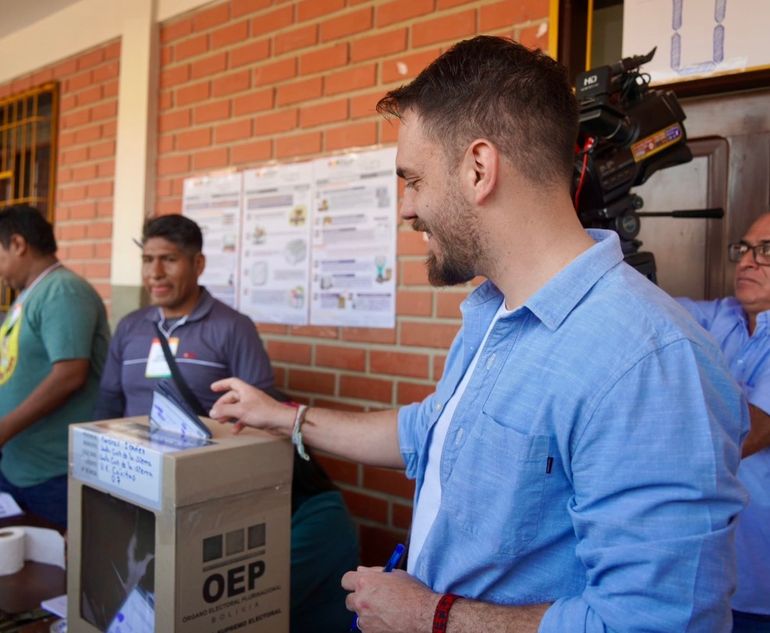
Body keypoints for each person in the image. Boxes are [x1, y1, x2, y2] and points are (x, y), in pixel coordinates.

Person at [210, 36, 748, 633]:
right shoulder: (492, 313)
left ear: (478, 168)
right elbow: (429, 436)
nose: (406, 209)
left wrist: (429, 616)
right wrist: (281, 416)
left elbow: (655, 624)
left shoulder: (649, 361)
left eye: (412, 180)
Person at [94, 214, 357, 633]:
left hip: (209, 505)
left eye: (168, 260)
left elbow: (259, 427)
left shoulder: (233, 329)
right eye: (147, 260)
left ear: (198, 265)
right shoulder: (129, 328)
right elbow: (107, 407)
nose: (154, 273)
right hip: (138, 496)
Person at [676, 213, 770, 633]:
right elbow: (648, 310)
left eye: (766, 250)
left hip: (759, 584)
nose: (747, 261)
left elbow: (753, 430)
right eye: (744, 249)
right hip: (702, 576)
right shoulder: (721, 316)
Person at [0, 204, 109, 528]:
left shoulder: (62, 290)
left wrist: (4, 429)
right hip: (20, 465)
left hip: (52, 472)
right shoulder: (29, 294)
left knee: (57, 568)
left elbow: (70, 375)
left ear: (18, 244)